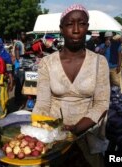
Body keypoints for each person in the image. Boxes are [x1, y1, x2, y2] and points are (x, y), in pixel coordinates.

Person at [32, 4, 110, 167]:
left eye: (81, 24)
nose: (75, 30)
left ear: (87, 28)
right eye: (69, 24)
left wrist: (75, 129)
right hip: (54, 138)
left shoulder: (99, 62)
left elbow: (102, 103)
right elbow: (42, 104)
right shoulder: (47, 63)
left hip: (88, 136)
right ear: (61, 29)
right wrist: (41, 132)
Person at [13, 32, 27, 106]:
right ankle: (17, 100)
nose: (24, 36)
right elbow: (17, 54)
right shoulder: (18, 44)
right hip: (19, 66)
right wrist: (20, 62)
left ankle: (19, 98)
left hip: (21, 64)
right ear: (20, 35)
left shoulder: (22, 43)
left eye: (24, 34)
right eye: (22, 34)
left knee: (20, 84)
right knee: (19, 83)